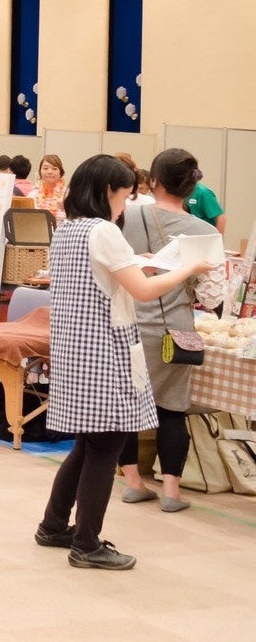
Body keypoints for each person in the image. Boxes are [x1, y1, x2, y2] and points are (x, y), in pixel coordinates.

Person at [34, 154, 215, 571]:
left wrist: (141, 262)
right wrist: (187, 267)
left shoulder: (68, 228)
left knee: (88, 443)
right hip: (105, 348)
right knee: (106, 445)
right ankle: (87, 543)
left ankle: (53, 525)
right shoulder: (104, 231)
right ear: (107, 191)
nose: (125, 204)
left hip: (75, 349)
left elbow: (108, 275)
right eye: (124, 195)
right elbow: (144, 292)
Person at [116, 149, 221, 513]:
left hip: (126, 322)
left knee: (127, 405)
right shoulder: (205, 232)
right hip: (175, 331)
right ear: (192, 186)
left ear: (153, 180)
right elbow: (211, 296)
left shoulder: (126, 215)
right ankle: (172, 492)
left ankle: (133, 483)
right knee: (173, 409)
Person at [34, 153, 66, 220]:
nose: (50, 172)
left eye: (54, 169)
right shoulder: (32, 195)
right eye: (45, 168)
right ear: (40, 172)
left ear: (61, 173)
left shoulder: (68, 195)